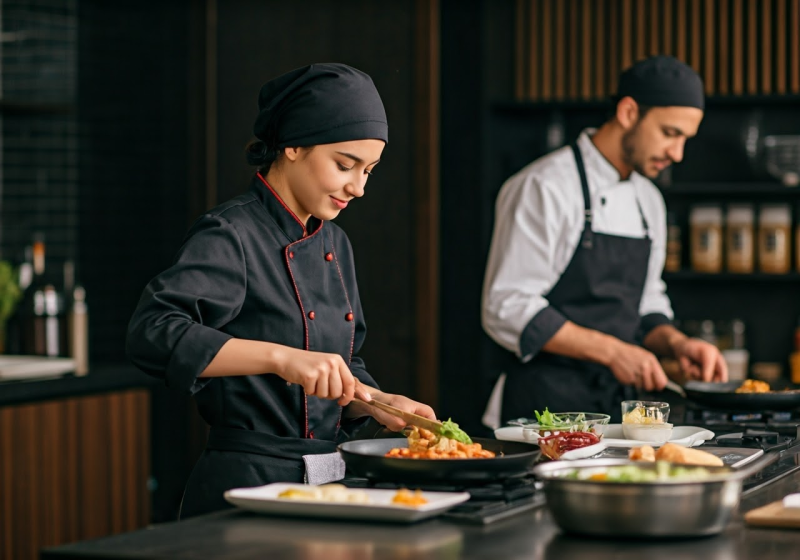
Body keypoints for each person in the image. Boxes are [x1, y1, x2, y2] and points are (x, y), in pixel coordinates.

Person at [126, 63, 436, 518]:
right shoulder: (231, 232)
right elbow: (153, 332)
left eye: (369, 170)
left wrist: (377, 401)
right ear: (292, 144)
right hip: (246, 485)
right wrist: (281, 357)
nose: (359, 187)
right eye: (345, 165)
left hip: (331, 479)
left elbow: (340, 365)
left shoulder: (335, 242)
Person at [481, 55, 728, 426]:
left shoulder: (649, 200)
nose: (677, 154)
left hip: (619, 411)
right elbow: (506, 305)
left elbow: (646, 301)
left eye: (684, 140)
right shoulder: (545, 186)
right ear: (629, 112)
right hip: (543, 411)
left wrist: (676, 343)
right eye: (670, 133)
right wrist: (614, 353)